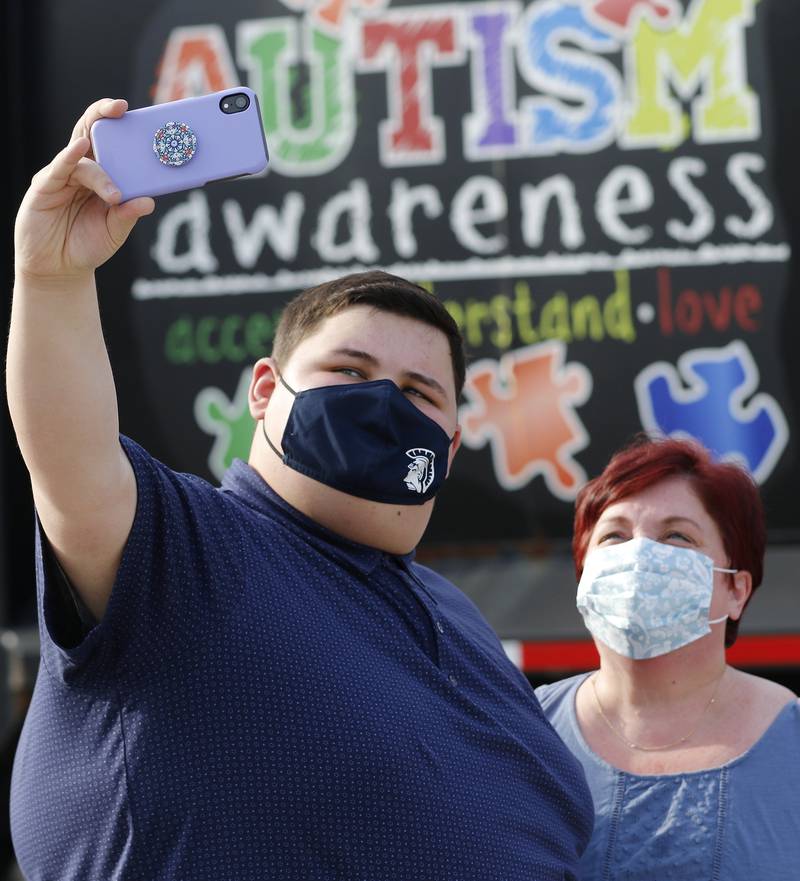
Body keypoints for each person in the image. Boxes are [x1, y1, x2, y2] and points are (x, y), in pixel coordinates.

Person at [7, 97, 593, 880]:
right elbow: (71, 462)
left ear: (450, 444)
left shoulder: (460, 622)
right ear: (263, 390)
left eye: (419, 392)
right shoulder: (188, 552)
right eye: (348, 372)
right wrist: (51, 279)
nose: (383, 404)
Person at [535, 435, 800, 880]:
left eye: (677, 536)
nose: (639, 555)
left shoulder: (791, 743)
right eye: (614, 535)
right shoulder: (523, 729)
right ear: (584, 575)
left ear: (736, 589)